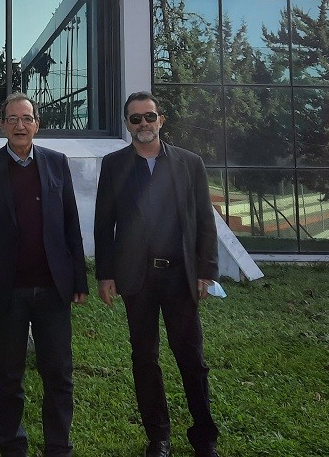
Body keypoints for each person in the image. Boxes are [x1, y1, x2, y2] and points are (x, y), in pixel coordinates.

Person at [94, 92, 221, 457]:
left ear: (161, 120)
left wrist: (206, 271)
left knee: (191, 358)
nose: (143, 124)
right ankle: (158, 437)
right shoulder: (114, 165)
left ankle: (204, 438)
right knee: (145, 359)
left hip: (180, 276)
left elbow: (205, 220)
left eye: (149, 116)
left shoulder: (189, 163)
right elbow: (104, 224)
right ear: (127, 124)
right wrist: (105, 274)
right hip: (137, 279)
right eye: (135, 119)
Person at [0, 92, 88, 457]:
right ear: (2, 125)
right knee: (8, 376)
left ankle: (58, 446)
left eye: (27, 118)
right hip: (5, 290)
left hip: (52, 289)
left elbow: (70, 224)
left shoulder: (57, 163)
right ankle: (12, 445)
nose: (21, 125)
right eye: (13, 119)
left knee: (59, 374)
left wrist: (79, 279)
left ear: (37, 124)